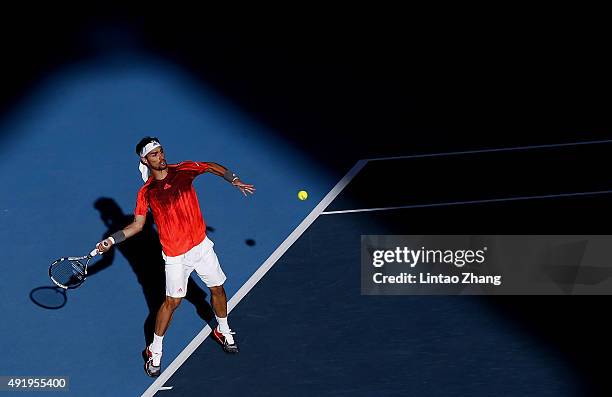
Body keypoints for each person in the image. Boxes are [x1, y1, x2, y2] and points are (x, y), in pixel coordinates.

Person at [96, 136, 255, 377]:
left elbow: (211, 166)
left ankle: (223, 329)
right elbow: (137, 226)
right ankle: (154, 351)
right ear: (144, 160)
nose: (161, 157)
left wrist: (233, 179)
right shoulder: (146, 192)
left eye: (161, 151)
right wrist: (111, 240)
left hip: (201, 246)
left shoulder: (183, 170)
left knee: (218, 289)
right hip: (175, 256)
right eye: (154, 154)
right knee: (172, 303)